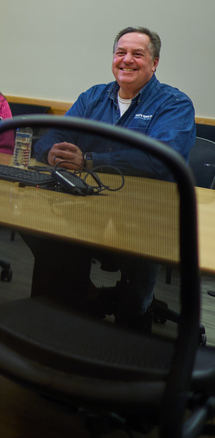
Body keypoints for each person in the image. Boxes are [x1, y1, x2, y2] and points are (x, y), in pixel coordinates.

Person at [30, 26, 195, 327]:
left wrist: (88, 161)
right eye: (121, 53)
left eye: (137, 54)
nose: (126, 60)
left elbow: (161, 160)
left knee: (132, 312)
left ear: (154, 63)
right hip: (88, 206)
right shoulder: (93, 97)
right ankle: (66, 313)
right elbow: (55, 132)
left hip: (147, 216)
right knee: (38, 228)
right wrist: (50, 150)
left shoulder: (174, 105)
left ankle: (135, 311)